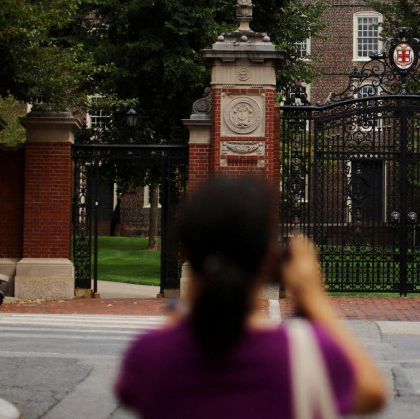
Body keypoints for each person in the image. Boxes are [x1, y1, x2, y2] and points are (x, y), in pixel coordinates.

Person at [115, 176, 388, 418]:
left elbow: (128, 389)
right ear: (270, 257)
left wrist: (189, 301)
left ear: (186, 249)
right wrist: (313, 296)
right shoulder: (306, 355)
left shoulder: (150, 356)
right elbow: (372, 394)